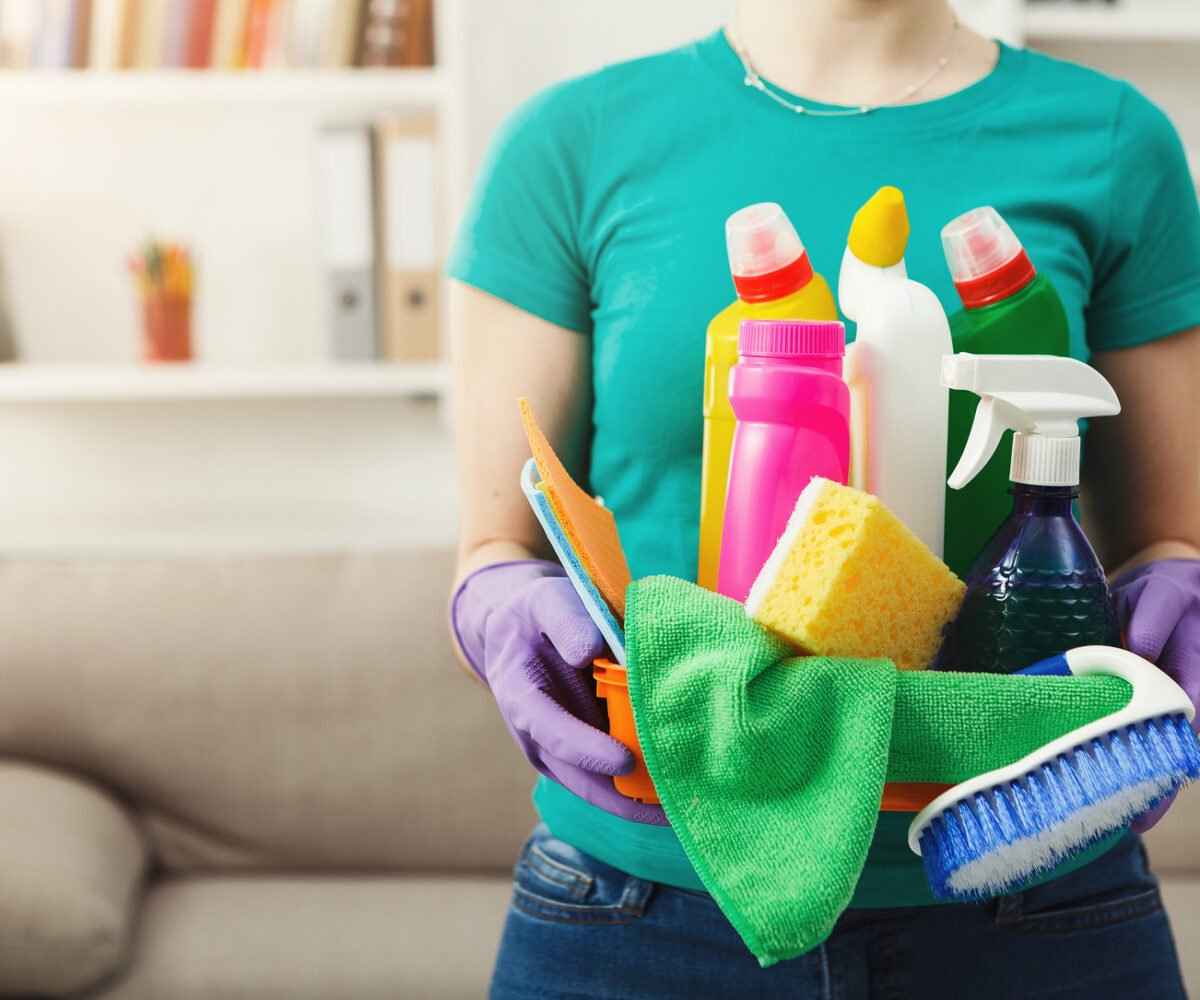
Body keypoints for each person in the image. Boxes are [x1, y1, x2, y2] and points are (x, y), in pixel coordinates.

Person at [447, 0, 1200, 996]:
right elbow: (499, 537)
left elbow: (1171, 527)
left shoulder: (1111, 140)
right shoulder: (572, 142)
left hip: (1038, 898)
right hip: (642, 907)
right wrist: (495, 604)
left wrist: (1178, 584)